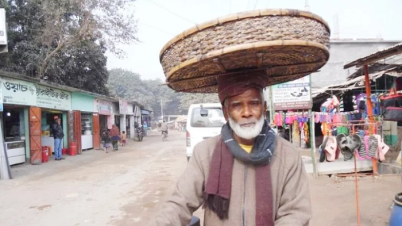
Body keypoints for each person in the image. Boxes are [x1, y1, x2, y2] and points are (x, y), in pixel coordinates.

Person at [152, 72, 311, 226]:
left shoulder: (288, 155)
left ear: (264, 107)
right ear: (226, 113)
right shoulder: (205, 152)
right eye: (237, 105)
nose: (247, 113)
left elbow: (295, 213)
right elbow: (179, 204)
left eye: (254, 103)